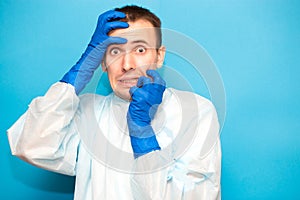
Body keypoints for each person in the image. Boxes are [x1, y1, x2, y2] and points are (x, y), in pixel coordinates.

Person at [7, 5, 221, 200]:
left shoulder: (195, 111)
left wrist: (142, 131)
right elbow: (31, 146)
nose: (127, 65)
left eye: (140, 50)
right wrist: (76, 74)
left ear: (159, 56)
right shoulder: (87, 111)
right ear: (101, 60)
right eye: (115, 51)